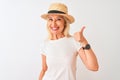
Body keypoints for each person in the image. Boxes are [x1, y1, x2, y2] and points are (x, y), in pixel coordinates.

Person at [39, 2, 99, 80]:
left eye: (58, 19)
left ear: (65, 23)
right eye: (50, 19)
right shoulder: (45, 44)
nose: (53, 24)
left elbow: (93, 67)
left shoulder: (73, 41)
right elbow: (44, 69)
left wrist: (84, 41)